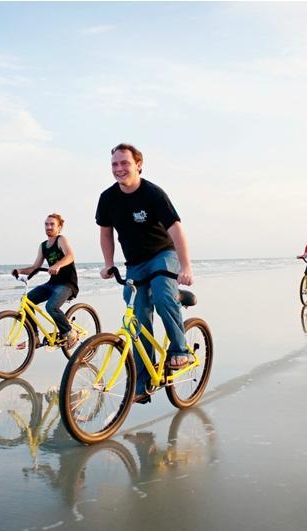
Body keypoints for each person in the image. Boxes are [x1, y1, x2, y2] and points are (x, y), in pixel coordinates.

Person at [95, 143, 193, 404]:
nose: (119, 168)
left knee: (161, 294)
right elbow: (106, 233)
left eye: (124, 163)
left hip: (163, 254)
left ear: (138, 164)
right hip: (135, 263)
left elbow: (176, 229)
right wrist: (109, 263)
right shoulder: (107, 198)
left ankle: (180, 349)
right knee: (136, 318)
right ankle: (143, 380)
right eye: (114, 164)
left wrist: (185, 267)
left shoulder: (153, 194)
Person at [12, 213, 79, 348]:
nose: (48, 227)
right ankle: (34, 337)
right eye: (46, 224)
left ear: (59, 227)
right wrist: (20, 271)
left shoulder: (61, 240)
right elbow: (35, 267)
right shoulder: (43, 246)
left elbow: (70, 256)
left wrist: (57, 265)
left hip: (67, 284)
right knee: (27, 301)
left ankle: (69, 332)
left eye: (52, 224)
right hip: (52, 283)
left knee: (51, 306)